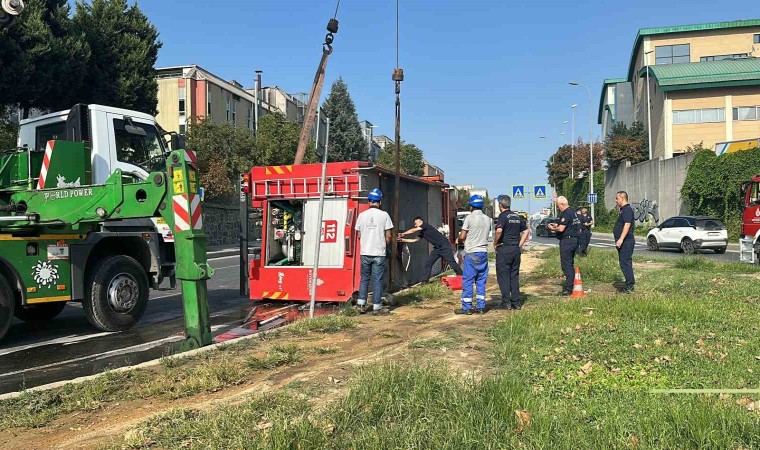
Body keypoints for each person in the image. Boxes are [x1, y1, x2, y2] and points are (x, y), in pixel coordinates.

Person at [354, 188, 394, 314]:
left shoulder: (362, 216)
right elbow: (389, 236)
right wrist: (385, 247)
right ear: (380, 201)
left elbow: (359, 234)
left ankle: (361, 304)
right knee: (377, 279)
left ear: (369, 201)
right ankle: (377, 306)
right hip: (378, 253)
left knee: (364, 278)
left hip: (365, 252)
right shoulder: (384, 215)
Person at [455, 194, 491, 315]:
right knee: (481, 280)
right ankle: (481, 307)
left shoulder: (469, 218)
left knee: (468, 280)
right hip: (483, 253)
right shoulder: (487, 219)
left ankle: (467, 307)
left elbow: (463, 236)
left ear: (471, 206)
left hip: (471, 253)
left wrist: (458, 240)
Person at [399, 216, 462, 283]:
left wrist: (403, 233)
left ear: (420, 221)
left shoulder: (425, 225)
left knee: (452, 263)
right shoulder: (422, 232)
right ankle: (425, 281)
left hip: (445, 247)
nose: (415, 225)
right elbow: (415, 240)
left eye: (415, 223)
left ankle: (462, 277)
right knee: (428, 263)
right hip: (437, 249)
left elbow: (413, 230)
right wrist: (402, 240)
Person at [494, 195, 530, 310]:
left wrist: (495, 242)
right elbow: (526, 231)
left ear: (500, 205)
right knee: (514, 276)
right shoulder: (516, 216)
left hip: (505, 249)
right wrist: (519, 244)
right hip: (515, 249)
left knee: (503, 276)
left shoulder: (502, 216)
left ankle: (506, 303)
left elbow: (499, 230)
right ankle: (516, 302)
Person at [547, 196, 580, 296]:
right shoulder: (573, 212)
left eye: (558, 206)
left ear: (562, 204)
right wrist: (556, 225)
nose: (558, 208)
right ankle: (571, 285)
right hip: (574, 240)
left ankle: (568, 289)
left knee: (566, 265)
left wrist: (552, 229)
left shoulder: (566, 213)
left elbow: (561, 229)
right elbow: (567, 226)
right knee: (570, 263)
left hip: (567, 241)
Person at [614, 191, 635, 294]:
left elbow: (627, 225)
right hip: (624, 242)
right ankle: (629, 283)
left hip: (626, 241)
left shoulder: (627, 210)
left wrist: (621, 239)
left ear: (622, 198)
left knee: (625, 263)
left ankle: (630, 286)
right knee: (624, 263)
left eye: (617, 198)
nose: (616, 200)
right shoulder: (623, 210)